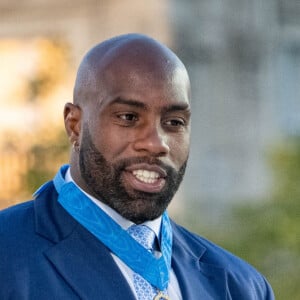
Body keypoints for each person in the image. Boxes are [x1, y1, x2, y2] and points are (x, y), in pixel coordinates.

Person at [0, 33, 274, 299]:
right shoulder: (8, 257)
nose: (156, 144)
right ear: (74, 125)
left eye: (174, 122)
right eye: (129, 117)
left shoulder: (241, 287)